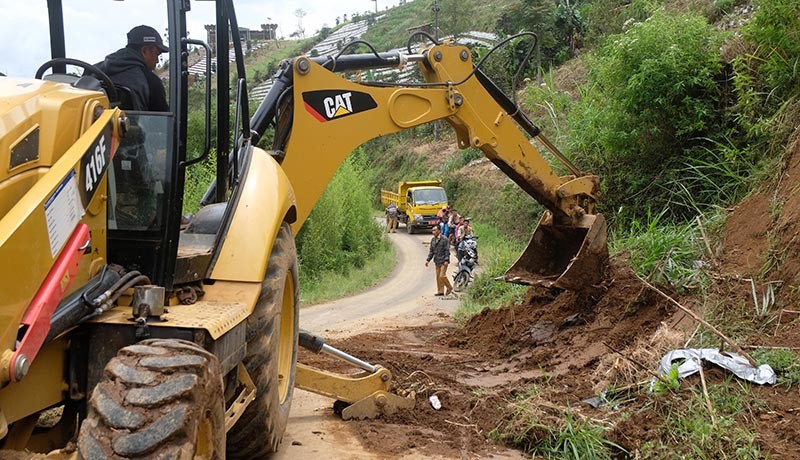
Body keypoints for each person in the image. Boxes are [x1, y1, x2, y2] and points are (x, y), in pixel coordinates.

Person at [97, 25, 169, 111]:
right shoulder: (151, 82)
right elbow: (161, 122)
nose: (157, 61)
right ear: (145, 51)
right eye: (157, 54)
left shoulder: (93, 72)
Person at [425, 226, 453, 296]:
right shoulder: (433, 240)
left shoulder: (444, 239)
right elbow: (431, 251)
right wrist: (428, 260)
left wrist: (446, 260)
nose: (433, 232)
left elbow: (447, 250)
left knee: (442, 276)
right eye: (432, 230)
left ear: (439, 231)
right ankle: (440, 291)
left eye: (435, 230)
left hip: (444, 260)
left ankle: (449, 287)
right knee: (438, 277)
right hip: (437, 260)